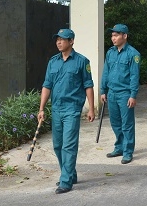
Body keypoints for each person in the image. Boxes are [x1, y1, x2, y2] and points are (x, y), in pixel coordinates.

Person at [37, 28, 95, 195]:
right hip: (56, 109)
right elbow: (47, 85)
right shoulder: (53, 62)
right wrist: (41, 108)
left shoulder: (82, 61)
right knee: (58, 145)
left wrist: (91, 108)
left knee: (69, 145)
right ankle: (70, 174)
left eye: (62, 39)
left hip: (72, 109)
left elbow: (88, 86)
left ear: (71, 41)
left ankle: (65, 180)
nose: (58, 42)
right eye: (57, 39)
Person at [100, 23, 141, 164]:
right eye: (112, 35)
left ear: (125, 36)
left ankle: (128, 151)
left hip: (125, 94)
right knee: (115, 122)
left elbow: (134, 76)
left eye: (116, 35)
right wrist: (102, 90)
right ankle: (119, 147)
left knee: (127, 124)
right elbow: (106, 72)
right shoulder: (110, 52)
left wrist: (133, 95)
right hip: (111, 93)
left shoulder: (133, 54)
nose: (113, 38)